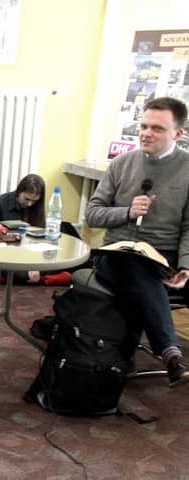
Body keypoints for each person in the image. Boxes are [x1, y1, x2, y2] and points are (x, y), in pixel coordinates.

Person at [85, 96, 189, 387]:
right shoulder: (121, 164)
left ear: (177, 134)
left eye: (157, 128)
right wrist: (127, 212)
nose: (146, 133)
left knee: (144, 273)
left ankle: (126, 352)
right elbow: (92, 214)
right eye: (143, 126)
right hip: (117, 253)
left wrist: (186, 265)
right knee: (135, 266)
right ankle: (169, 351)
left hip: (163, 256)